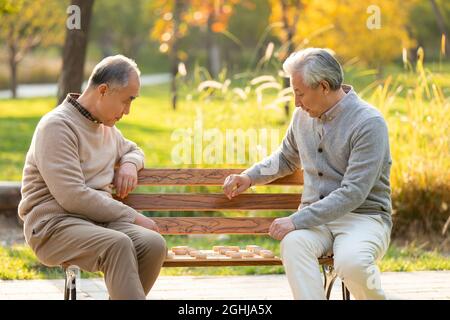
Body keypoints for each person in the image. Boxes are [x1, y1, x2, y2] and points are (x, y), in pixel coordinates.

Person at [223, 48, 392, 300]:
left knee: (351, 263)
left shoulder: (369, 123)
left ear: (323, 86)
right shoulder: (302, 117)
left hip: (362, 218)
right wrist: (249, 177)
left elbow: (353, 193)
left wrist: (295, 221)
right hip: (317, 222)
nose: (296, 102)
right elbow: (285, 158)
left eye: (299, 93)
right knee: (293, 244)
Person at [18, 55, 166, 300]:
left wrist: (129, 163)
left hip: (97, 224)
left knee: (153, 244)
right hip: (53, 227)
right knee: (117, 245)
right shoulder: (57, 126)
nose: (128, 111)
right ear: (104, 91)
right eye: (127, 100)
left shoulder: (108, 129)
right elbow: (73, 197)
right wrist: (133, 216)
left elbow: (134, 150)